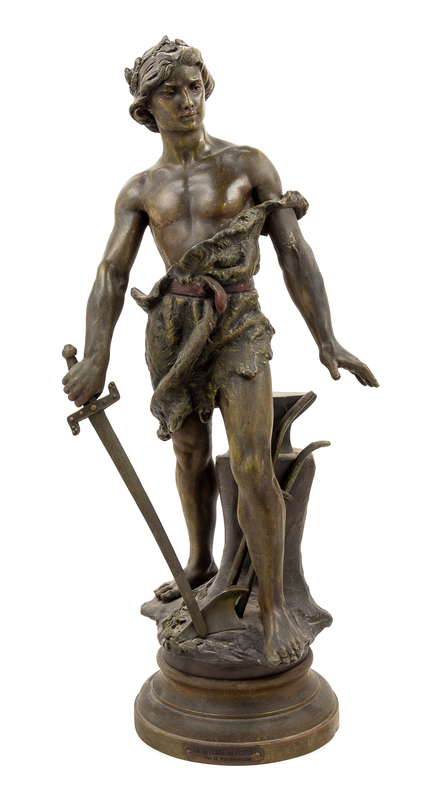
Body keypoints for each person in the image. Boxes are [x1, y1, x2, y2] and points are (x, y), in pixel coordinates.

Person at [63, 36, 378, 667]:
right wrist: (96, 355)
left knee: (253, 465)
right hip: (173, 329)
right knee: (188, 452)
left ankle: (275, 609)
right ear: (145, 106)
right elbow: (111, 273)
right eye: (170, 91)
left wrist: (327, 338)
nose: (188, 100)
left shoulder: (247, 164)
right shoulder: (140, 189)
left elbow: (293, 251)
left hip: (238, 322)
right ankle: (200, 563)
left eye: (195, 85)